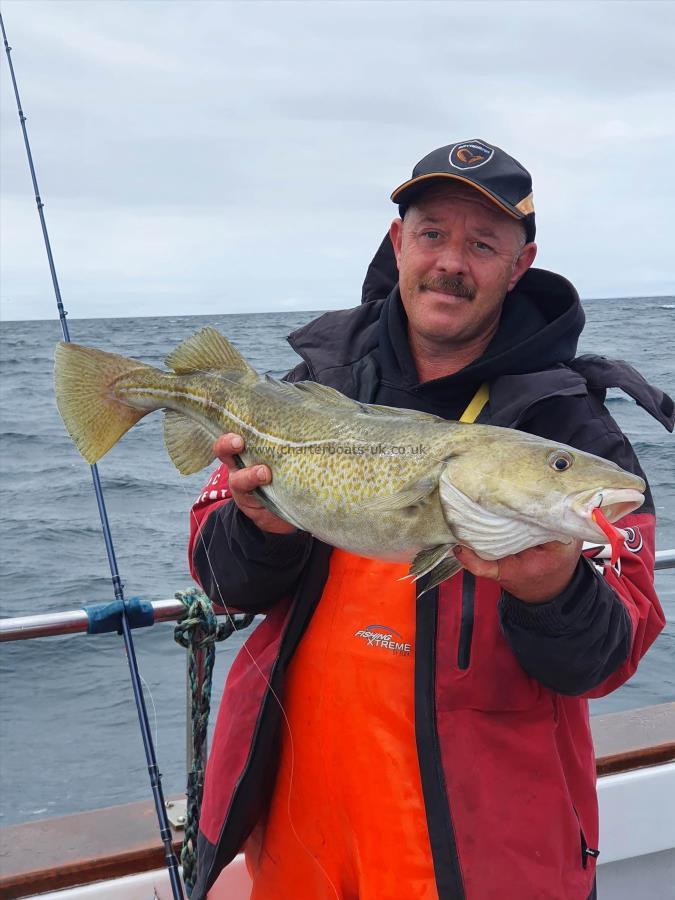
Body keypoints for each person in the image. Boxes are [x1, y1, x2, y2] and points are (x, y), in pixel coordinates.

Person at [187, 139, 671, 900]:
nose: (451, 261)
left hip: (477, 858)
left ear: (520, 265)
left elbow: (609, 656)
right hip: (296, 830)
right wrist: (260, 524)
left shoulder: (573, 434)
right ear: (397, 243)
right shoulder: (308, 392)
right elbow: (222, 586)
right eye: (432, 233)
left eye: (483, 244)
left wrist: (554, 592)